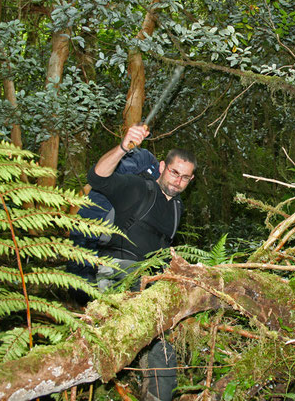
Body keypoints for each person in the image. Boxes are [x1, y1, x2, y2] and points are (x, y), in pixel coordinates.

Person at [87, 124, 196, 401]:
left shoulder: (176, 208)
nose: (177, 181)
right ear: (162, 167)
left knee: (162, 342)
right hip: (118, 273)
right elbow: (98, 178)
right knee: (113, 339)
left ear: (190, 179)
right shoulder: (138, 188)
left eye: (185, 177)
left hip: (149, 281)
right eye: (174, 172)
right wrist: (123, 147)